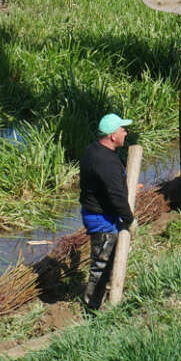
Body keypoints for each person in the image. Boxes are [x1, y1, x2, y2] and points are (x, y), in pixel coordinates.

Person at [79, 113, 135, 309]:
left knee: (107, 258)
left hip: (96, 211)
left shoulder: (92, 150)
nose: (125, 132)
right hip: (101, 218)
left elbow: (105, 184)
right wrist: (129, 219)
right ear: (112, 136)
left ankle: (101, 294)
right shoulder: (107, 162)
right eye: (122, 130)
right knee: (101, 264)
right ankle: (92, 307)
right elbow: (116, 196)